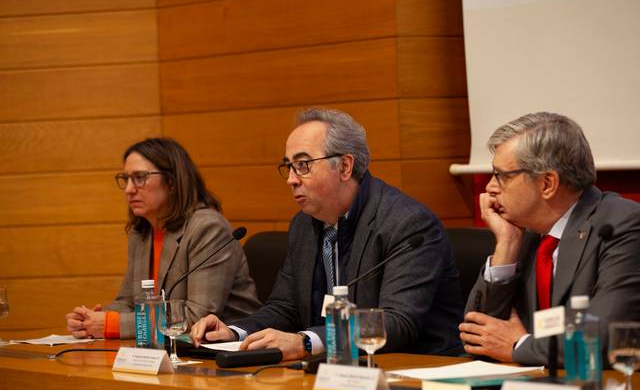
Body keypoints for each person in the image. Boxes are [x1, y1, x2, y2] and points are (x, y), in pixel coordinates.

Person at [191, 107, 463, 360]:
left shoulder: (406, 223)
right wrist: (235, 333)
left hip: (415, 371)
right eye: (289, 166)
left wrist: (306, 342)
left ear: (344, 167)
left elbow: (397, 323)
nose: (291, 179)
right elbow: (285, 307)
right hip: (335, 368)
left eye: (303, 165)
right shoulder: (304, 225)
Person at [460, 112, 640, 365]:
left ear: (547, 183)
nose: (490, 187)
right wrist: (507, 246)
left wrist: (518, 346)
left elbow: (604, 336)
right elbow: (477, 337)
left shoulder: (621, 225)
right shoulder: (525, 232)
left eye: (502, 176)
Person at [65, 138, 261, 339]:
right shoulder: (142, 232)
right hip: (166, 347)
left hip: (225, 350)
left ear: (172, 181)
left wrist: (111, 324)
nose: (129, 189)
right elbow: (129, 302)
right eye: (126, 179)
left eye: (140, 177)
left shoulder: (207, 228)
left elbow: (198, 315)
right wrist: (91, 319)